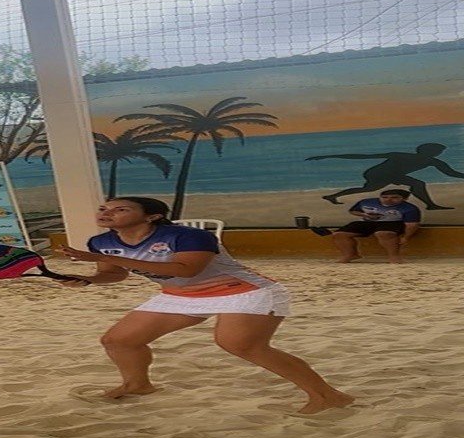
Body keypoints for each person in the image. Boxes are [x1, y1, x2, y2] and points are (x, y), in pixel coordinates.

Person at [56, 197, 353, 415]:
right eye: (103, 208)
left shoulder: (189, 236)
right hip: (180, 295)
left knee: (240, 345)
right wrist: (88, 279)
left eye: (120, 209)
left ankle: (329, 397)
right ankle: (137, 385)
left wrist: (100, 259)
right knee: (119, 340)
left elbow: (187, 270)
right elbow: (113, 274)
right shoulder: (100, 242)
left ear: (152, 217)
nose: (107, 213)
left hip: (245, 291)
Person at [308, 142, 464, 210]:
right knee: (369, 189)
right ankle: (431, 205)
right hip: (377, 173)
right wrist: (328, 155)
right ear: (426, 151)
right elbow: (363, 156)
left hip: (394, 175)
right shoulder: (399, 155)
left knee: (417, 184)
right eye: (437, 151)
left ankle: (332, 196)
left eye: (439, 152)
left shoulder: (434, 162)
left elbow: (451, 173)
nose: (438, 153)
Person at [328, 189, 421, 264]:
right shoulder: (366, 202)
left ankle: (394, 257)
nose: (388, 200)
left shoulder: (410, 208)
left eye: (394, 198)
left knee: (384, 233)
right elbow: (353, 211)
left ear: (404, 199)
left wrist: (406, 237)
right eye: (384, 197)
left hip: (393, 222)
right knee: (339, 234)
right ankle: (350, 255)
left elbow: (412, 225)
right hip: (368, 221)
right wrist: (365, 215)